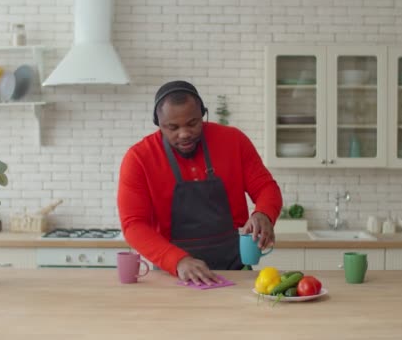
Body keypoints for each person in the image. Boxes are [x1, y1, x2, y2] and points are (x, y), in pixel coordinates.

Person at [117, 80, 282, 285]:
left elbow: (266, 187)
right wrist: (177, 261)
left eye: (193, 123)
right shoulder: (139, 158)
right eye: (173, 127)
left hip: (234, 270)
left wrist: (264, 213)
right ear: (158, 123)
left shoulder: (234, 141)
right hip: (173, 273)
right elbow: (133, 225)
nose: (184, 133)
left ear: (203, 114)